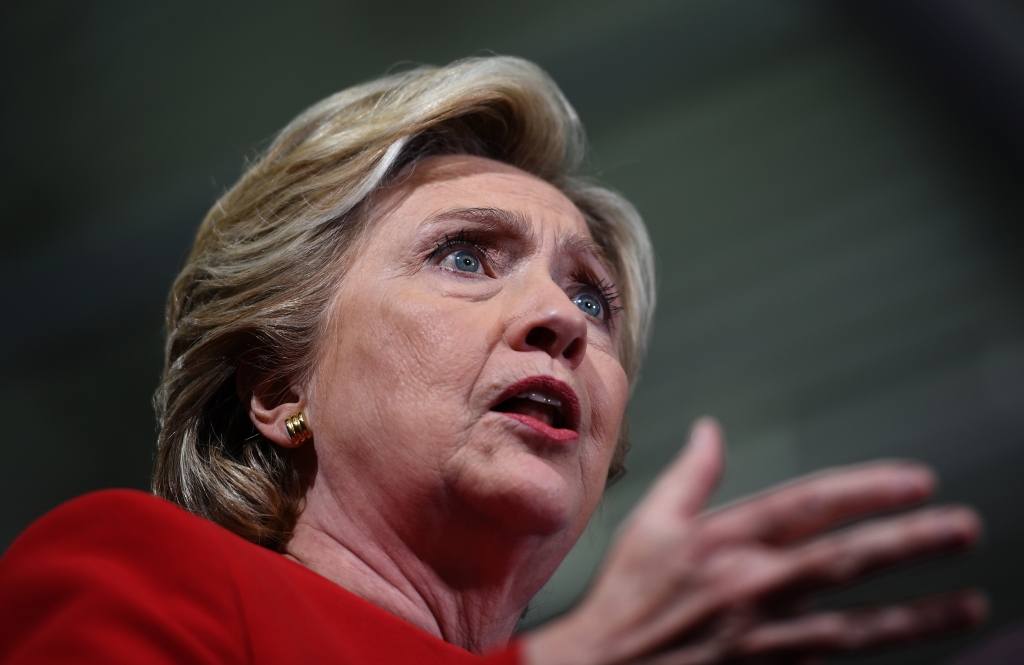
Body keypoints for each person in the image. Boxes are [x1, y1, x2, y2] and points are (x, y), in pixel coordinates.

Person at [0, 56, 984, 664]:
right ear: (277, 386)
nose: (560, 319)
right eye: (465, 255)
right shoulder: (139, 567)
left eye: (590, 295)